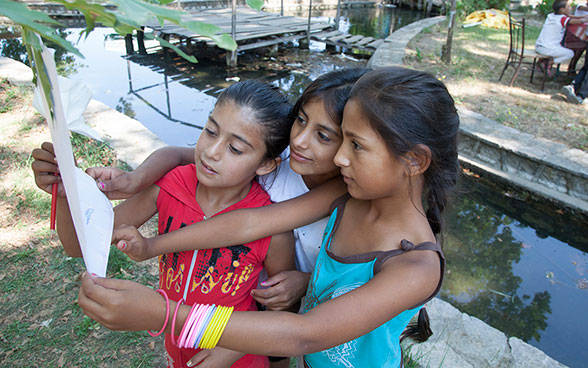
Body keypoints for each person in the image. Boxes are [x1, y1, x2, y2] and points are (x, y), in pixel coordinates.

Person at [77, 67, 459, 368]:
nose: (341, 157)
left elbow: (305, 335)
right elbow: (248, 223)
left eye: (355, 146)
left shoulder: (415, 266)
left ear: (415, 161)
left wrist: (165, 313)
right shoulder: (349, 195)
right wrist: (152, 247)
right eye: (343, 141)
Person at [31, 80, 298, 368]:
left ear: (265, 164)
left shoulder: (272, 227)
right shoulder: (169, 185)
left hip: (239, 356)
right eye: (210, 131)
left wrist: (233, 349)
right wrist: (66, 189)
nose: (211, 151)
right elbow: (76, 246)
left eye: (234, 148)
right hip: (175, 348)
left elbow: (283, 309)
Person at [88, 68, 370, 314]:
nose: (298, 141)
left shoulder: (346, 192)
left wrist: (306, 282)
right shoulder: (281, 163)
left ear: (351, 142)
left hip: (323, 309)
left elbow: (250, 224)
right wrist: (135, 180)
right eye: (300, 120)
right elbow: (176, 154)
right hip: (259, 298)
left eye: (323, 135)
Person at [535, 0, 588, 74]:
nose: (570, 8)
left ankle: (543, 60)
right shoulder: (563, 19)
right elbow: (579, 21)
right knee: (570, 53)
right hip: (548, 48)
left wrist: (581, 16)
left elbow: (570, 16)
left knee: (562, 49)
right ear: (562, 9)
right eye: (568, 6)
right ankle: (548, 63)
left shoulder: (551, 15)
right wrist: (584, 19)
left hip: (539, 46)